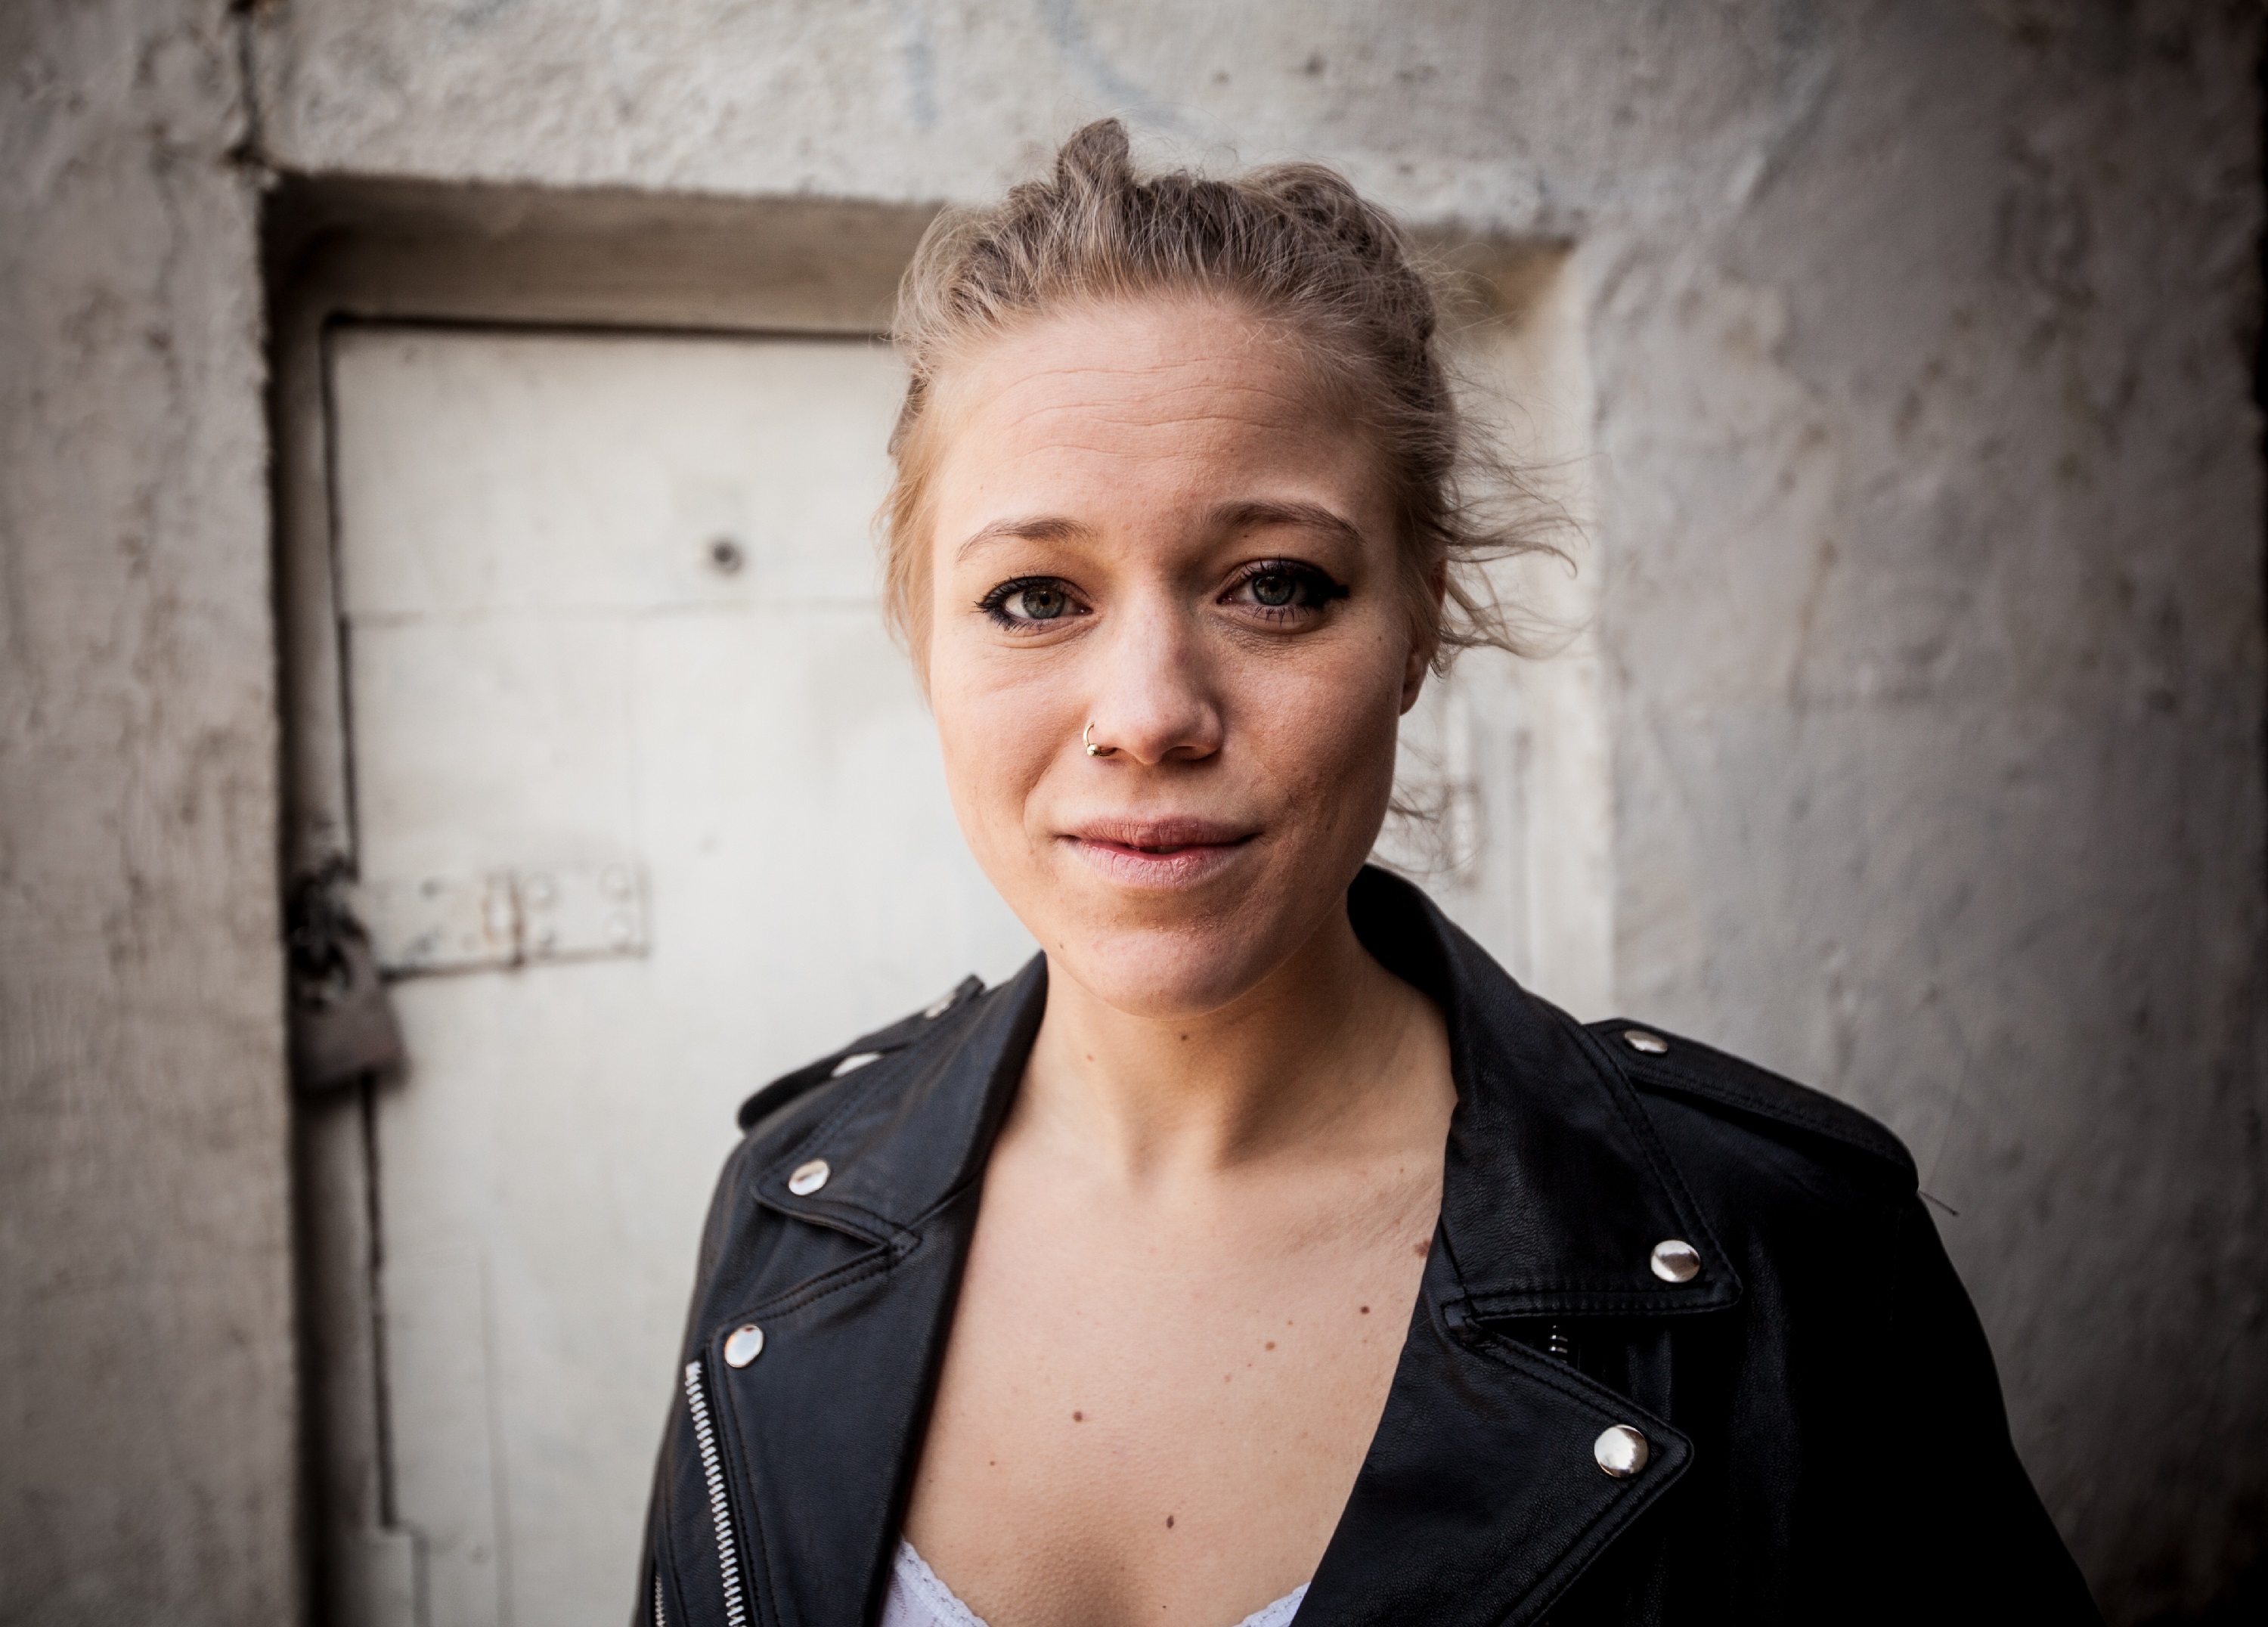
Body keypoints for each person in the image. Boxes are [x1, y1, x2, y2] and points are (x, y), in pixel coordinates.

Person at [637, 121, 2099, 1627]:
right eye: (1033, 595)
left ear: (1417, 627)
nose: (1147, 711)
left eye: (1276, 583)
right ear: (925, 640)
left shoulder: (1779, 1253)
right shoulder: (785, 1212)